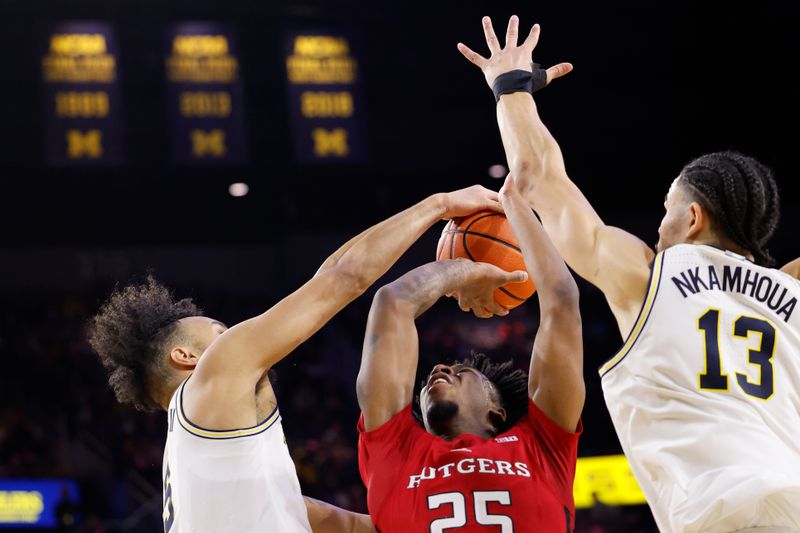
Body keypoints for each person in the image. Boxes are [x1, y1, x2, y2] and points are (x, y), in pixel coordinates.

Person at [458, 15, 800, 532]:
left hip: (720, 513)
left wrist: (510, 87)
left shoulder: (648, 275)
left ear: (692, 217)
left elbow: (542, 180)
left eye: (667, 207)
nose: (659, 225)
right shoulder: (792, 291)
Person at [88, 185, 502, 533]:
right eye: (220, 331)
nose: (235, 334)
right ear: (187, 357)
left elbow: (329, 277)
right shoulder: (216, 373)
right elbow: (346, 279)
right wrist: (440, 206)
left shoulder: (203, 459)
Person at [356, 177, 584, 532]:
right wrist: (464, 271)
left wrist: (516, 206)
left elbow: (562, 300)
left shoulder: (540, 446)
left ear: (497, 413)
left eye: (460, 372)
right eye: (458, 370)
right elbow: (393, 302)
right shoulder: (395, 448)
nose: (441, 369)